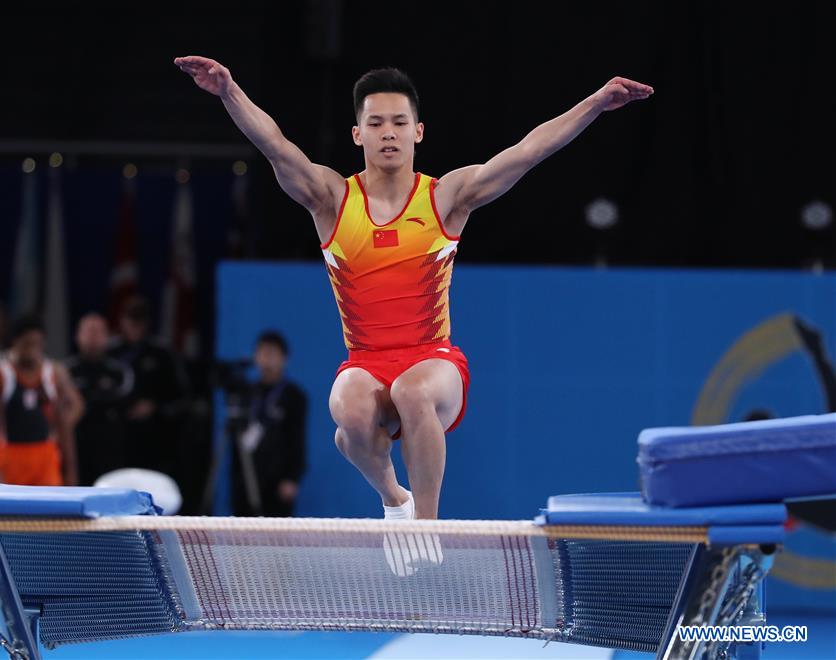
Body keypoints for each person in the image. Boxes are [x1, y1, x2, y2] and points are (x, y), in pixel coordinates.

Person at [176, 55, 652, 571]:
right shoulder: (332, 200)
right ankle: (395, 501)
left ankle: (427, 527)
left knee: (410, 391)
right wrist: (229, 91)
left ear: (418, 131)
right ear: (356, 133)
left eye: (400, 122)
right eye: (376, 123)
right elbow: (274, 145)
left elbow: (528, 151)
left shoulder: (446, 197)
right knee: (349, 415)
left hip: (434, 361)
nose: (388, 133)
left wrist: (596, 104)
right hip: (364, 359)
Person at [0, 315, 83, 486]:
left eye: (37, 344)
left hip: (45, 458)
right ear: (15, 342)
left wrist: (70, 471)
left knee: (49, 510)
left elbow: (64, 427)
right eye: (27, 344)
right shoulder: (0, 376)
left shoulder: (53, 374)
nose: (32, 350)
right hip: (9, 458)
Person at [107, 296, 189, 475]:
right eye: (131, 321)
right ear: (122, 321)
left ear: (146, 323)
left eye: (139, 321)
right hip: (117, 438)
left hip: (154, 439)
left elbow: (181, 397)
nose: (135, 327)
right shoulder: (110, 352)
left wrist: (154, 407)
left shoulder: (162, 354)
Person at [228, 331, 307, 517]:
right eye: (263, 353)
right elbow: (236, 442)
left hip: (278, 481)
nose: (267, 359)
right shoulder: (246, 393)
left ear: (284, 358)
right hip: (247, 478)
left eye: (272, 354)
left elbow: (297, 439)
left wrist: (292, 478)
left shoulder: (294, 396)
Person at [65, 313, 134, 486]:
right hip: (76, 448)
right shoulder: (65, 372)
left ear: (107, 337)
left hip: (110, 448)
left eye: (98, 332)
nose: (93, 338)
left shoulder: (119, 372)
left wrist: (85, 401)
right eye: (88, 332)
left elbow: (124, 401)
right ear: (77, 336)